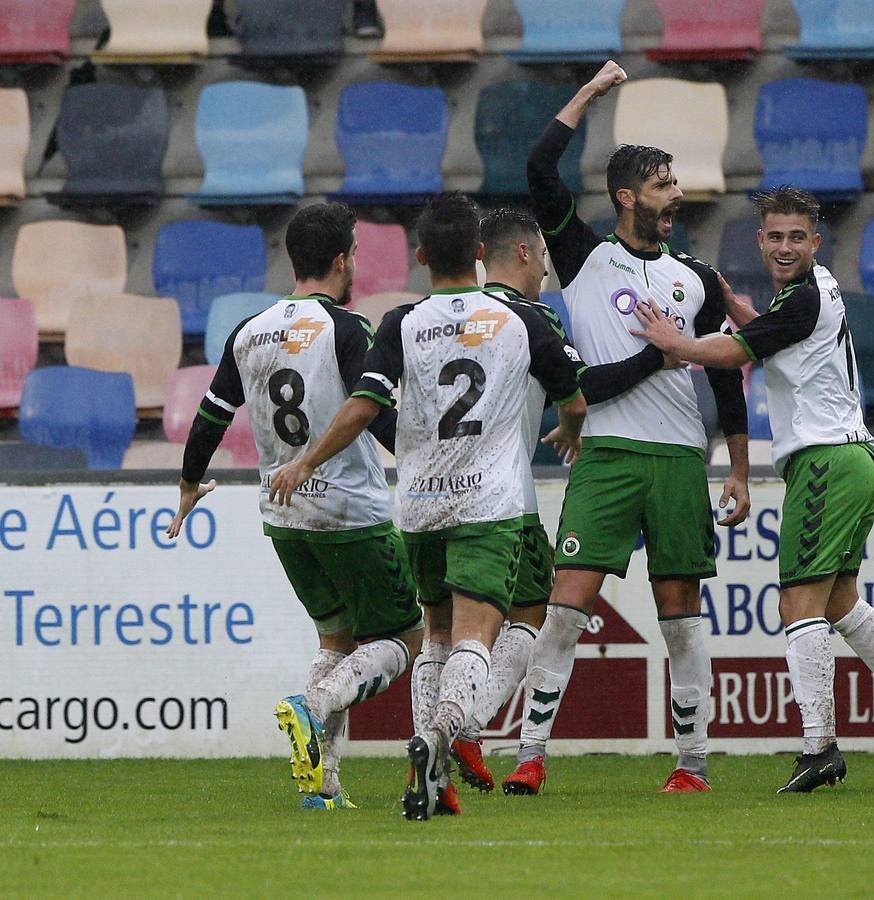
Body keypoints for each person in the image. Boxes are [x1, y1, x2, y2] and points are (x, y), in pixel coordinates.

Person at [269, 192, 587, 822]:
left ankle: (432, 778)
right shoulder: (521, 319)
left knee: (434, 638)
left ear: (418, 256)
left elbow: (364, 405)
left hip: (418, 506)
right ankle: (437, 742)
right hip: (487, 505)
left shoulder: (400, 324)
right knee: (476, 637)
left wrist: (306, 460)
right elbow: (572, 395)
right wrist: (572, 425)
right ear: (478, 252)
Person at [630, 186, 874, 793]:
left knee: (796, 606)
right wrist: (738, 307)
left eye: (795, 237)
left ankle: (819, 747)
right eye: (774, 236)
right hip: (851, 457)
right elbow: (780, 341)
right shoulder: (814, 291)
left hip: (827, 462)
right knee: (837, 603)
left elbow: (733, 353)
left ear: (815, 241)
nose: (784, 246)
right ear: (760, 240)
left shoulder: (802, 297)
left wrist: (676, 344)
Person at [503, 60, 751, 797]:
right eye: (662, 186)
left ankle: (692, 763)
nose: (676, 196)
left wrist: (736, 468)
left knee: (679, 615)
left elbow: (723, 373)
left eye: (674, 185)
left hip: (679, 457)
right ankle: (530, 753)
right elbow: (538, 164)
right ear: (625, 197)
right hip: (607, 454)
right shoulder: (584, 258)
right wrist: (589, 92)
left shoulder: (695, 280)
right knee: (566, 607)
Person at [166, 201, 424, 810]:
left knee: (334, 640)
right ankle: (314, 705)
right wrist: (418, 463)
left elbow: (210, 415)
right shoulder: (345, 328)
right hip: (350, 514)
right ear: (341, 260)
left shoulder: (249, 331)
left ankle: (322, 786)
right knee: (406, 637)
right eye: (355, 252)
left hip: (283, 516)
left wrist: (187, 484)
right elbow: (374, 409)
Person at [447, 208, 686, 793]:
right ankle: (453, 725)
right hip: (502, 497)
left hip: (427, 494)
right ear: (524, 253)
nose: (549, 272)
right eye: (544, 259)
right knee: (520, 617)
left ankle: (450, 736)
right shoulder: (533, 319)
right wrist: (656, 356)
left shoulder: (437, 317)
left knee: (438, 631)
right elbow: (582, 393)